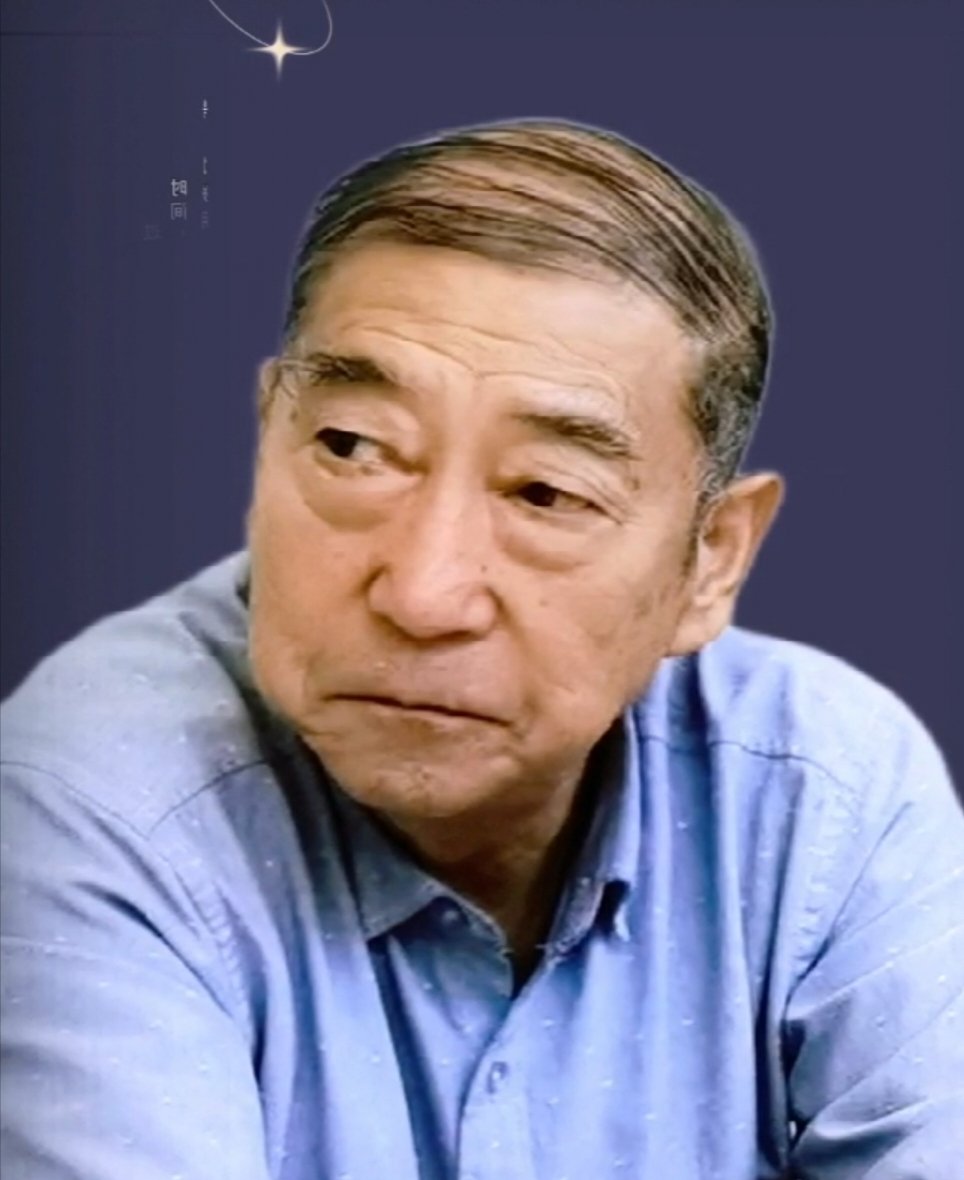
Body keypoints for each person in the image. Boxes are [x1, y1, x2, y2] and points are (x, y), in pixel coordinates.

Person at [1, 119, 961, 1180]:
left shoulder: (823, 793)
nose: (423, 594)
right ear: (270, 433)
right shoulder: (87, 793)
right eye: (353, 447)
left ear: (712, 560)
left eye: (546, 492)